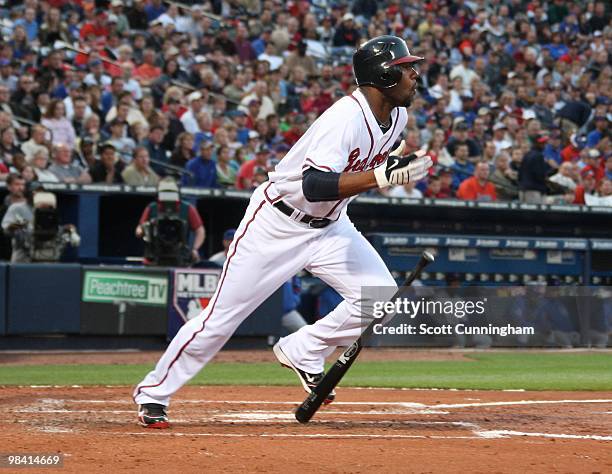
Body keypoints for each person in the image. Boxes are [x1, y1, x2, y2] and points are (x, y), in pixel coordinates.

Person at [134, 36, 433, 428]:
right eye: (406, 67)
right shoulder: (344, 117)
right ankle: (153, 394)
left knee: (379, 296)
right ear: (383, 74)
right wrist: (381, 176)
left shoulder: (397, 118)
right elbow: (314, 185)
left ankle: (304, 348)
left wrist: (396, 164)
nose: (415, 74)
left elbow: (368, 163)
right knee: (220, 319)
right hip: (278, 222)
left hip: (331, 226)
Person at [135, 177, 205, 266]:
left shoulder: (187, 208)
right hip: (155, 254)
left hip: (180, 254)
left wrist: (195, 249)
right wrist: (141, 230)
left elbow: (200, 230)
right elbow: (140, 227)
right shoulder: (152, 208)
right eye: (164, 193)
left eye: (170, 193)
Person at [519, 133, 554, 204]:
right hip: (534, 191)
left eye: (544, 143)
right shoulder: (538, 156)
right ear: (535, 143)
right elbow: (540, 175)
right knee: (535, 214)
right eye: (541, 143)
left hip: (524, 189)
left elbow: (520, 174)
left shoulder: (527, 154)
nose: (544, 145)